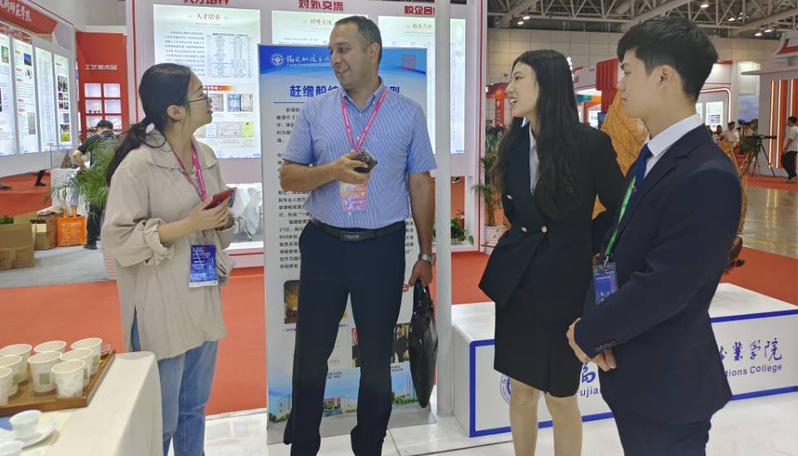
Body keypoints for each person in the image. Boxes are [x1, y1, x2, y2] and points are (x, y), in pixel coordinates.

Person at [566, 17, 742, 455]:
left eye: (628, 70)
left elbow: (665, 286)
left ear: (663, 76)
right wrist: (598, 324)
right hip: (634, 373)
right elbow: (615, 248)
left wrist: (590, 332)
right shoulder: (651, 158)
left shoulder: (708, 174)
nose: (620, 83)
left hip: (669, 386)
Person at [280, 16, 436, 456]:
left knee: (377, 359)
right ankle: (303, 445)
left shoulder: (407, 114)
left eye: (343, 49)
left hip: (381, 249)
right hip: (324, 245)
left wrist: (426, 253)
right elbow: (289, 177)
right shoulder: (316, 111)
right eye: (331, 50)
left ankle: (369, 445)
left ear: (373, 52)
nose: (335, 59)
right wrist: (332, 171)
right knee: (310, 355)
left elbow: (421, 183)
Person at [478, 50, 624, 456]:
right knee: (522, 390)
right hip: (519, 282)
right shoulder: (512, 145)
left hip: (566, 286)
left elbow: (621, 208)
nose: (509, 88)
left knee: (561, 396)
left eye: (519, 78)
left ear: (548, 84)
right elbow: (516, 213)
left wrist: (586, 240)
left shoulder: (590, 144)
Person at [102, 63, 235, 456]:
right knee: (160, 419)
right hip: (159, 304)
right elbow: (118, 241)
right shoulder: (137, 166)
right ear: (175, 111)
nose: (209, 101)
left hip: (202, 291)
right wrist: (186, 225)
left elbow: (218, 232)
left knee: (194, 407)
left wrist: (222, 218)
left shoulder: (205, 155)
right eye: (200, 94)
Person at [73, 120, 118, 250]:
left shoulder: (94, 139)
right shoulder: (118, 140)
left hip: (97, 178)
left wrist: (84, 169)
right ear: (111, 129)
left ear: (98, 129)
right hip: (115, 177)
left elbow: (76, 155)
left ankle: (91, 242)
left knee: (95, 210)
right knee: (116, 209)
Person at [781, 116, 797, 182]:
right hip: (791, 148)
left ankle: (793, 175)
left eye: (787, 120)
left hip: (791, 149)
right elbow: (785, 135)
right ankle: (791, 177)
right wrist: (784, 128)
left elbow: (790, 139)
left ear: (790, 121)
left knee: (785, 162)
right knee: (790, 163)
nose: (786, 121)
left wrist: (786, 148)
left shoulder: (793, 129)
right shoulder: (790, 128)